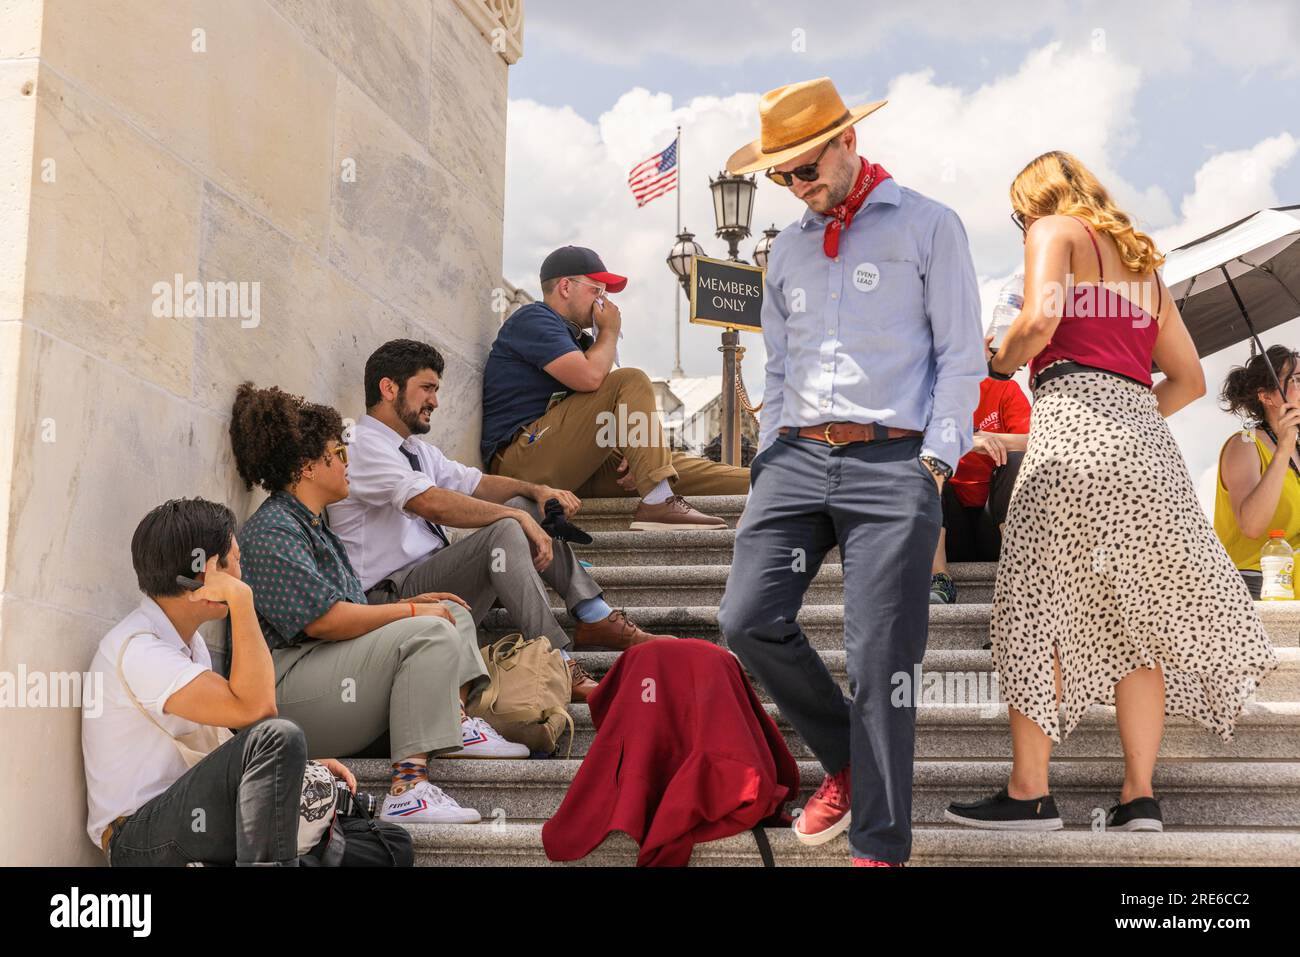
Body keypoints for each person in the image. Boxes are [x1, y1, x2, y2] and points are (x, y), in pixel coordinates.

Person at [946, 150, 1278, 833]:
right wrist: (1126, 417)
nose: (1022, 226)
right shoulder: (1146, 271)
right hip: (1149, 455)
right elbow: (1188, 380)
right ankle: (1139, 797)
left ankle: (1030, 792)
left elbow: (1039, 323)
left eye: (1018, 215)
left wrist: (996, 360)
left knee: (1032, 610)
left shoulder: (1054, 231)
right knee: (1138, 629)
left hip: (1072, 438)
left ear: (1035, 202)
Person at [717, 77, 986, 866]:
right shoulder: (789, 248)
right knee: (745, 617)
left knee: (880, 659)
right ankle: (848, 757)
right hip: (797, 457)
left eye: (806, 168)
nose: (796, 186)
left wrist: (934, 460)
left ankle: (879, 846)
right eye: (782, 175)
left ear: (848, 142)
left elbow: (961, 357)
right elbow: (778, 364)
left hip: (894, 458)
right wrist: (767, 458)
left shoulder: (931, 225)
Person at [229, 383, 521, 827]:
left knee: (452, 612)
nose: (347, 462)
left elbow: (349, 613)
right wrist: (409, 612)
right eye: (338, 453)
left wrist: (417, 603)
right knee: (428, 627)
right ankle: (408, 791)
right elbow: (326, 621)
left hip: (326, 672)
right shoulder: (272, 530)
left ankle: (454, 719)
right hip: (284, 695)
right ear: (308, 467)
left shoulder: (314, 526)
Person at [328, 340, 671, 700]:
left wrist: (537, 491)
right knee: (508, 525)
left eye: (436, 390)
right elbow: (431, 504)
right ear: (388, 388)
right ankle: (559, 663)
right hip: (391, 598)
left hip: (436, 582)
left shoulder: (416, 449)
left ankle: (594, 614)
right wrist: (515, 517)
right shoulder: (361, 444)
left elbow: (476, 484)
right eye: (427, 388)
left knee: (526, 504)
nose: (435, 401)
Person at [82, 497, 338, 866]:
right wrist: (242, 602)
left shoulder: (189, 643)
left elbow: (231, 740)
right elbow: (258, 710)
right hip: (138, 840)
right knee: (278, 736)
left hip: (191, 819)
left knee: (386, 844)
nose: (241, 575)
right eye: (235, 561)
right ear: (208, 573)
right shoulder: (140, 650)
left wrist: (297, 767)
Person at [480, 245, 749, 530]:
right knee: (630, 379)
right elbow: (590, 378)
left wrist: (638, 455)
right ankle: (658, 502)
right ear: (566, 287)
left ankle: (768, 481)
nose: (603, 301)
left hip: (567, 465)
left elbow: (603, 410)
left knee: (668, 464)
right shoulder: (533, 318)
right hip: (521, 462)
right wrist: (609, 331)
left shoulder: (579, 340)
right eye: (596, 291)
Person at [930, 332, 1031, 604]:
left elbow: (1033, 440)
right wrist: (969, 440)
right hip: (949, 527)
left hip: (993, 523)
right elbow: (916, 441)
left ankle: (1017, 578)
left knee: (1016, 460)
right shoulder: (933, 394)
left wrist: (989, 439)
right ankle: (939, 578)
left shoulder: (1004, 389)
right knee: (927, 467)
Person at [1215, 345, 1300, 599]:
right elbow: (1251, 525)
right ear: (1266, 397)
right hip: (1252, 585)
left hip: (1292, 582)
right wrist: (1283, 448)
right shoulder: (1244, 444)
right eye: (1296, 380)